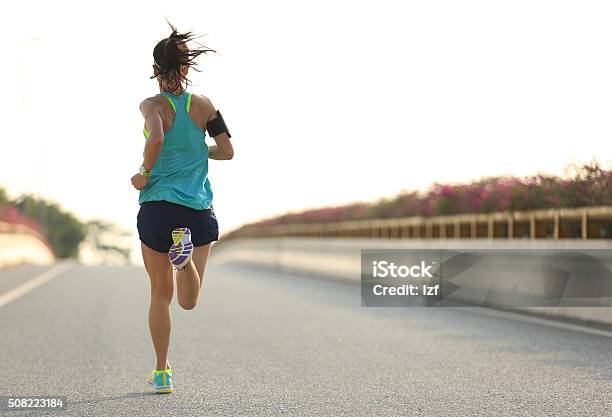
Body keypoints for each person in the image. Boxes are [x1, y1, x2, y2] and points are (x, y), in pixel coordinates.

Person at [131, 23, 234, 394]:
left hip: (158, 207)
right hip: (196, 211)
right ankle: (185, 259)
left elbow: (156, 137)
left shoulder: (151, 105)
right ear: (187, 69)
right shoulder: (205, 106)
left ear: (155, 70)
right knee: (189, 300)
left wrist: (144, 173)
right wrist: (196, 152)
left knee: (161, 294)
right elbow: (227, 151)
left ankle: (162, 372)